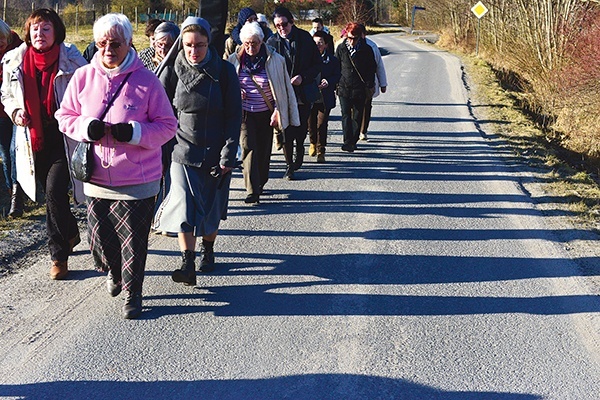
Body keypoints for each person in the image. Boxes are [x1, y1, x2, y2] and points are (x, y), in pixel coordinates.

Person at [55, 13, 177, 319]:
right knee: (101, 239)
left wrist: (135, 133)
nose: (108, 49)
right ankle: (113, 271)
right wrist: (85, 127)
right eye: (102, 43)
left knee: (134, 241)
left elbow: (167, 126)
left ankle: (133, 293)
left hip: (138, 177)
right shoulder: (83, 77)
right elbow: (65, 115)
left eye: (115, 43)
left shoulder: (146, 80)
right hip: (96, 176)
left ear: (128, 43)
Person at [154, 17, 242, 286]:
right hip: (182, 152)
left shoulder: (225, 72)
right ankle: (186, 260)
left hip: (216, 152)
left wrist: (228, 154)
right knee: (184, 207)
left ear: (208, 43)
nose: (194, 51)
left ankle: (208, 248)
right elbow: (161, 112)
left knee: (211, 210)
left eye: (200, 45)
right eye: (189, 45)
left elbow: (233, 116)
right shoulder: (172, 71)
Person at [1, 8, 86, 280]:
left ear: (56, 32)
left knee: (54, 191)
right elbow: (6, 94)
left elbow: (86, 93)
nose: (40, 34)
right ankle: (71, 232)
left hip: (63, 137)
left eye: (46, 28)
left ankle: (58, 256)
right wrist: (15, 112)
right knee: (51, 195)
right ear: (28, 32)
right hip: (30, 138)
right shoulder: (14, 60)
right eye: (35, 29)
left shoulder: (72, 59)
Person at [228, 22, 299, 204]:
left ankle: (260, 182)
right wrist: (236, 91)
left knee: (264, 149)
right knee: (248, 146)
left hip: (267, 113)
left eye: (255, 43)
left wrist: (277, 111)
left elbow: (282, 89)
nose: (251, 48)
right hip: (244, 113)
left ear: (261, 42)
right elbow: (227, 87)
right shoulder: (233, 60)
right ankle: (252, 190)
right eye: (247, 44)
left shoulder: (275, 60)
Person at [266, 7, 322, 180]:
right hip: (282, 93)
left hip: (302, 91)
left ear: (292, 22)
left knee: (300, 128)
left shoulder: (304, 38)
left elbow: (317, 64)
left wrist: (303, 77)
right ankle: (289, 165)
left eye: (284, 24)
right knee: (286, 129)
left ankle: (300, 148)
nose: (281, 28)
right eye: (277, 25)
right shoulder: (271, 43)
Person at [335, 22, 376, 153]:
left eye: (355, 38)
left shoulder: (367, 49)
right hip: (344, 87)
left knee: (358, 116)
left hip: (360, 88)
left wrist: (369, 84)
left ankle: (353, 140)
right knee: (345, 115)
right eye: (350, 38)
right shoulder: (341, 48)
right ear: (346, 35)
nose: (352, 41)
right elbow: (336, 67)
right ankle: (347, 141)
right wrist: (336, 83)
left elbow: (372, 68)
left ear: (360, 37)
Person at [0, 19, 24, 217]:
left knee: (14, 151)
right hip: (0, 111)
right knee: (6, 155)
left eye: (1, 38)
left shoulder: (19, 50)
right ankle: (11, 189)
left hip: (16, 109)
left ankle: (17, 196)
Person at [308, 30, 340, 163]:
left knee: (322, 123)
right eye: (315, 43)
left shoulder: (332, 60)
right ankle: (313, 143)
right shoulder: (307, 59)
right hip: (310, 95)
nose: (318, 45)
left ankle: (321, 150)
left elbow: (337, 75)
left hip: (325, 96)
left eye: (320, 42)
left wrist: (329, 81)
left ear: (326, 44)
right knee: (311, 123)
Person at [360, 25, 387, 141]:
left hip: (368, 83)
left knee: (366, 106)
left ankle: (363, 130)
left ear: (364, 34)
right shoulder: (344, 44)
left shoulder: (371, 46)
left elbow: (379, 65)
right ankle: (353, 129)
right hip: (351, 84)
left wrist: (383, 83)